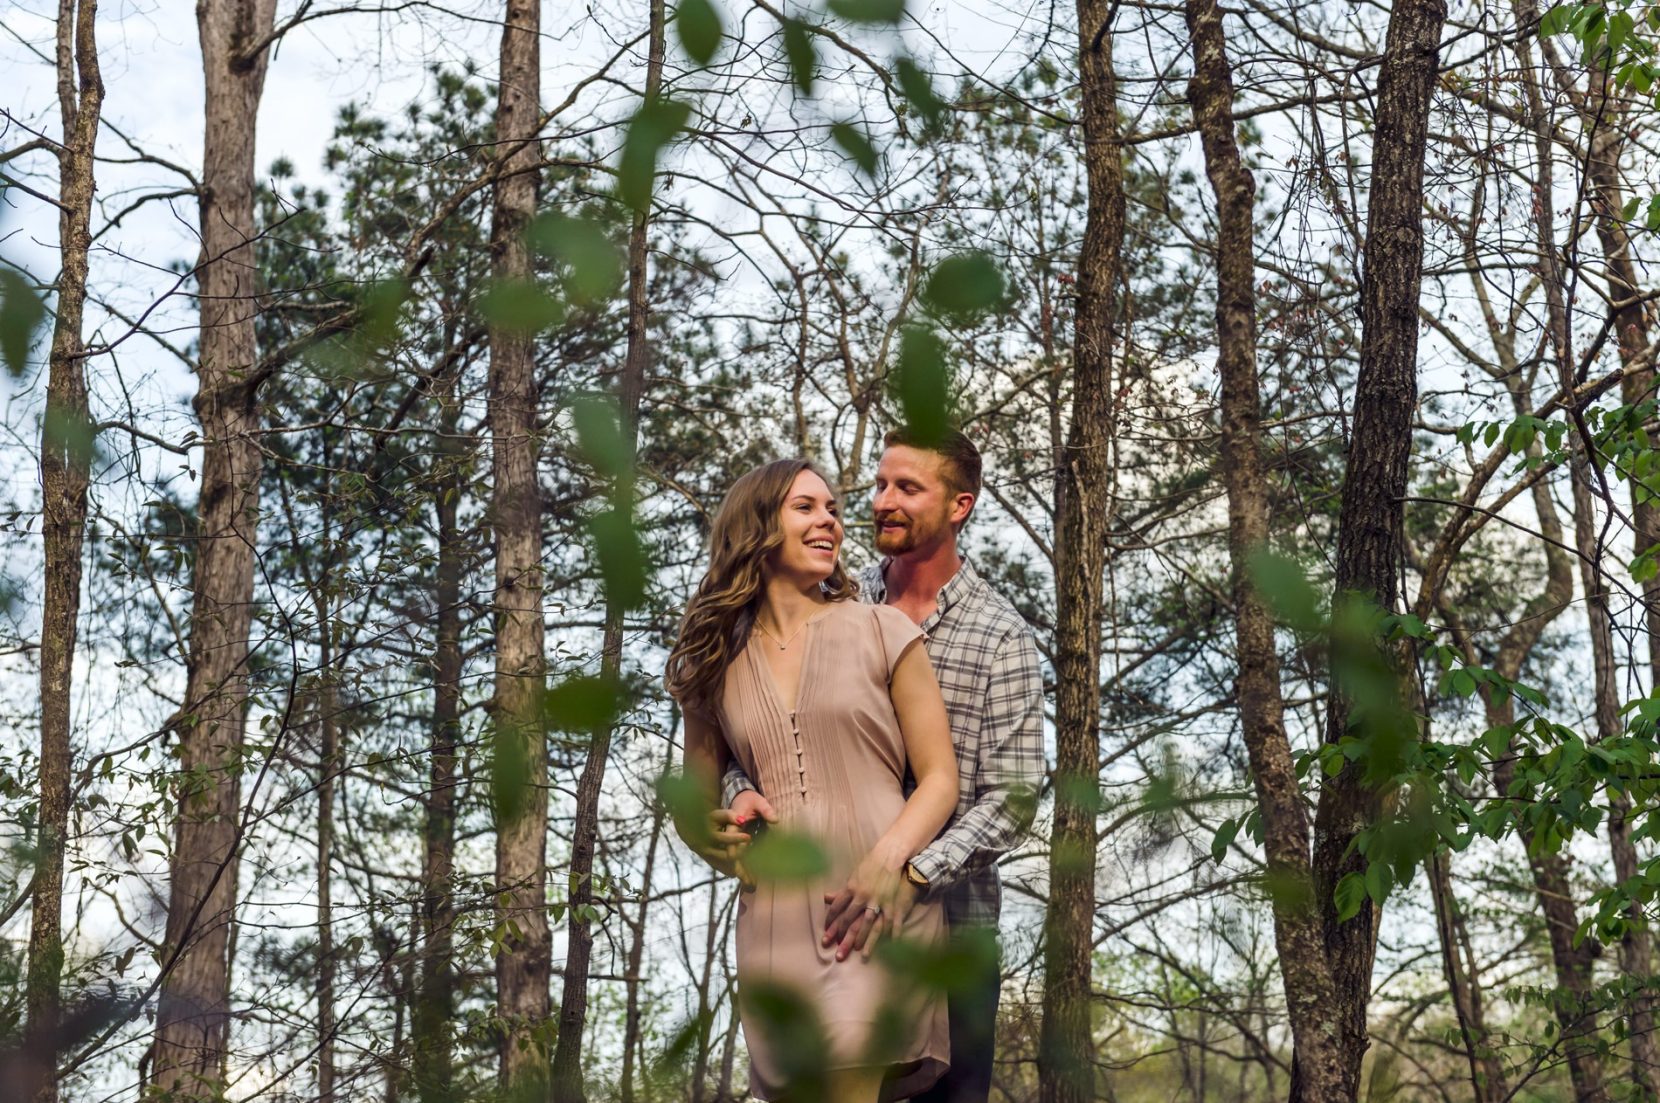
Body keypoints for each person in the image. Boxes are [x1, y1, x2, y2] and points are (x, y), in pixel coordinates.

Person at [717, 428, 1044, 1103]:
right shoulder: (835, 598)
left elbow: (1010, 799)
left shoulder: (1000, 635)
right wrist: (741, 790)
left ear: (958, 506)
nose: (883, 501)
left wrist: (908, 869)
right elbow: (762, 737)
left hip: (951, 926)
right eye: (880, 484)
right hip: (824, 914)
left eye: (908, 488)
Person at [666, 457, 960, 1102]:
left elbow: (941, 778)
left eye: (832, 509)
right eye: (806, 507)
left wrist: (888, 861)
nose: (830, 520)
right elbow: (695, 806)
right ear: (756, 527)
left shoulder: (884, 628)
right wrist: (723, 828)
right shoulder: (712, 659)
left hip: (871, 899)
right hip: (775, 915)